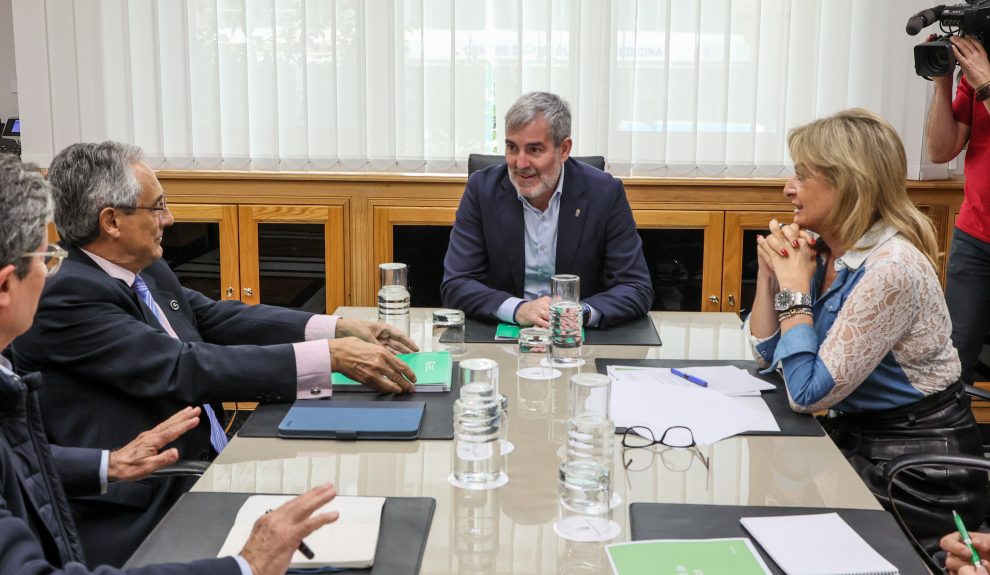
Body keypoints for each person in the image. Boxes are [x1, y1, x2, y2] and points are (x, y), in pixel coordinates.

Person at [10, 141, 418, 567]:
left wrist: (336, 326)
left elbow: (216, 318)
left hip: (214, 460)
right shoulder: (68, 295)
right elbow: (179, 367)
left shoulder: (144, 267)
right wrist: (328, 357)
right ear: (111, 221)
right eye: (157, 207)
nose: (170, 219)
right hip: (153, 499)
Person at [745, 108, 989, 552]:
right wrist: (771, 276)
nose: (788, 189)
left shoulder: (890, 269)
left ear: (847, 183)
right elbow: (767, 355)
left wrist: (796, 293)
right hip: (863, 442)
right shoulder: (827, 253)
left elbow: (806, 394)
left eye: (802, 175)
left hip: (918, 475)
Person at [441, 91, 653, 329]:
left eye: (534, 150)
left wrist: (577, 313)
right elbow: (457, 283)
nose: (520, 164)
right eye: (512, 147)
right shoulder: (483, 190)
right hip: (502, 339)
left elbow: (636, 287)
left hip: (575, 341)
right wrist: (519, 309)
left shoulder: (604, 193)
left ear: (563, 149)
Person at [925, 35, 990, 385]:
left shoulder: (984, 77)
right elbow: (940, 149)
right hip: (975, 236)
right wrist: (943, 83)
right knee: (955, 358)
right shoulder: (978, 75)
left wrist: (987, 84)